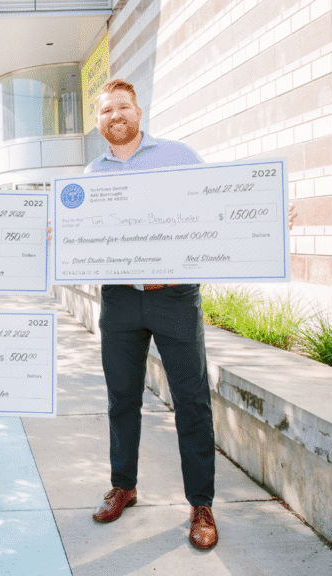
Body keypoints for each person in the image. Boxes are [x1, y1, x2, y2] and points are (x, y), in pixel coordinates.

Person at [84, 80, 219, 550]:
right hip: (120, 298)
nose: (116, 116)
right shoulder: (91, 174)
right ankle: (124, 485)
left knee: (191, 399)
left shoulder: (178, 156)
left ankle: (201, 504)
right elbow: (83, 233)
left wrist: (267, 218)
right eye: (106, 110)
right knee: (122, 397)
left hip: (174, 295)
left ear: (139, 112)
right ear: (98, 121)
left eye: (123, 107)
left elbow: (218, 206)